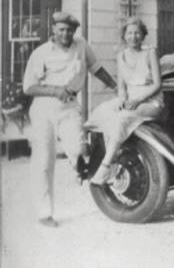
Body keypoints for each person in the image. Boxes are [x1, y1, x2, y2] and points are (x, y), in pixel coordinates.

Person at [23, 11, 116, 227]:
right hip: (44, 108)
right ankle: (45, 213)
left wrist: (115, 86)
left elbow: (96, 68)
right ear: (53, 30)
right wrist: (55, 91)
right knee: (44, 160)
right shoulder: (41, 53)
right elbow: (29, 87)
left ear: (75, 31)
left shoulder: (81, 45)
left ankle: (78, 166)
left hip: (70, 106)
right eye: (61, 29)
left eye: (70, 30)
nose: (65, 34)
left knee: (79, 148)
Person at [87, 17, 165, 185]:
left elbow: (158, 84)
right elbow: (121, 86)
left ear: (143, 35)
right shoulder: (121, 55)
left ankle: (106, 166)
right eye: (129, 33)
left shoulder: (150, 52)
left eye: (137, 33)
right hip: (131, 100)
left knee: (121, 118)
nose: (133, 36)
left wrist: (137, 100)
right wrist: (122, 99)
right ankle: (113, 162)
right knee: (104, 111)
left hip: (150, 102)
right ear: (124, 36)